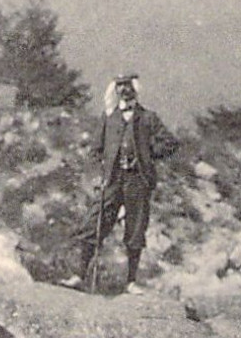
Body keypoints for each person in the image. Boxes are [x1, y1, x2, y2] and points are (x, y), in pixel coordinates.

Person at [61, 74, 178, 295]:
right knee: (94, 223)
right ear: (115, 91)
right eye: (120, 86)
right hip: (112, 181)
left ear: (135, 89)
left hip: (137, 180)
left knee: (135, 230)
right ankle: (79, 275)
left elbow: (171, 143)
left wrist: (148, 153)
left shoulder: (148, 118)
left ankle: (131, 282)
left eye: (128, 86)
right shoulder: (109, 118)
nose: (124, 91)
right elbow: (95, 150)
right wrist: (99, 175)